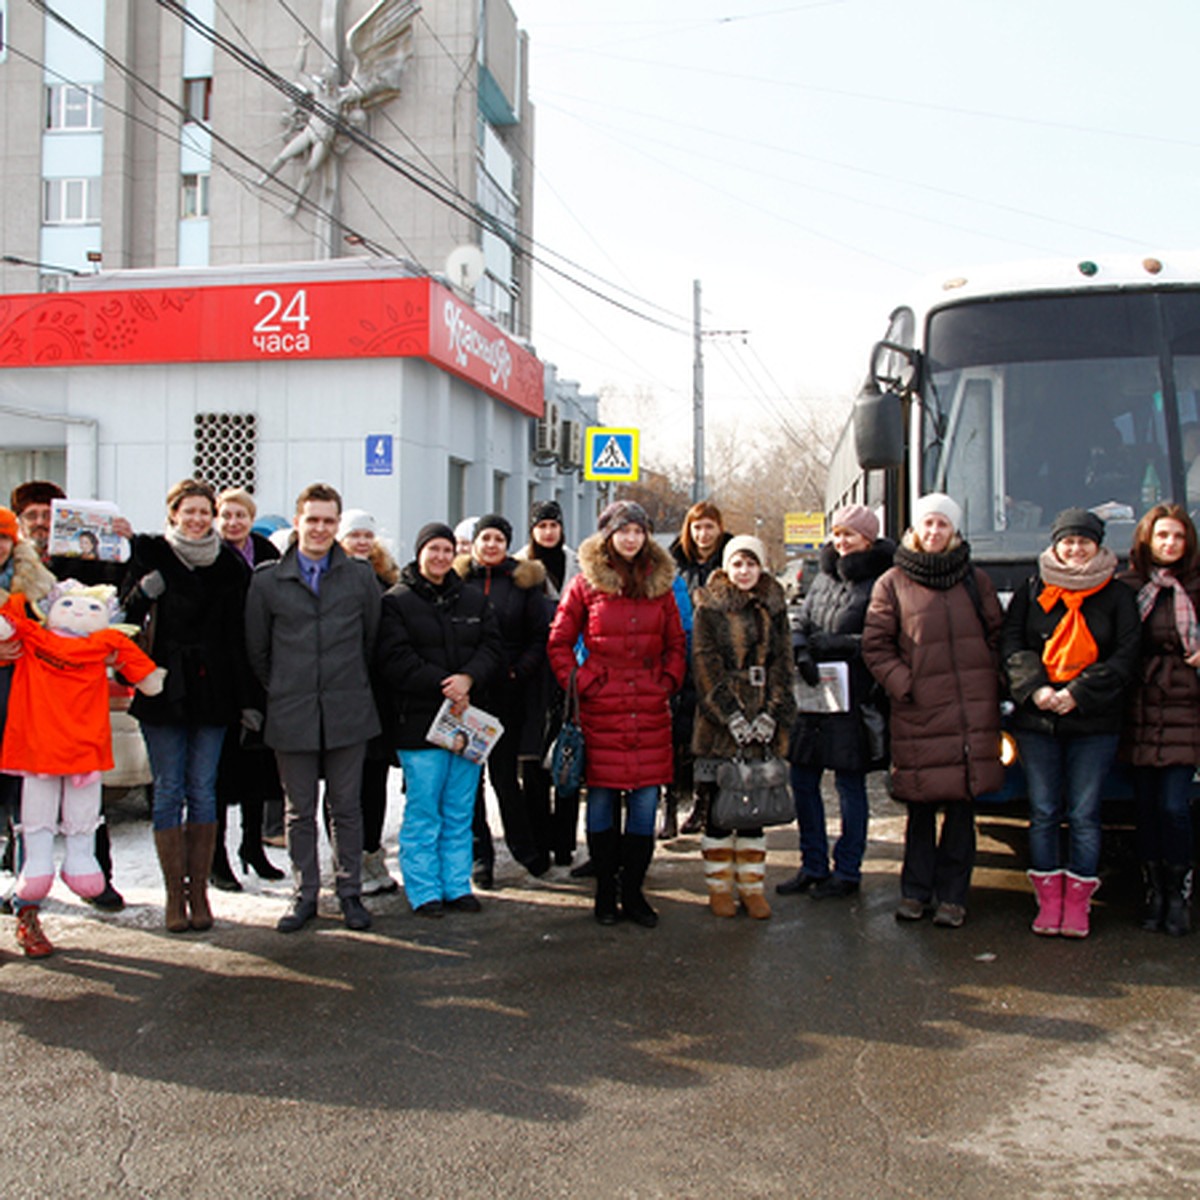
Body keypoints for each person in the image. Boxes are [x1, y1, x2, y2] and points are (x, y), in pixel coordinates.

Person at [863, 492, 1004, 929]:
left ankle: (953, 897)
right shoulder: (892, 583)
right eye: (927, 525)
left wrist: (989, 685)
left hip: (968, 716)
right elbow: (876, 645)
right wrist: (906, 685)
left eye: (943, 525)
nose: (934, 532)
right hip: (919, 714)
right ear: (914, 531)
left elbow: (999, 636)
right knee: (920, 809)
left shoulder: (974, 580)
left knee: (962, 810)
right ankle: (915, 892)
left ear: (955, 532)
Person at [244, 484, 380, 934]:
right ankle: (304, 895)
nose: (320, 528)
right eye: (312, 519)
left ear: (337, 525)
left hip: (347, 708)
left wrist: (341, 682)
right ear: (298, 522)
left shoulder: (360, 577)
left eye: (328, 521)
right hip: (292, 709)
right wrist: (288, 686)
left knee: (346, 808)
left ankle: (350, 894)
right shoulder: (267, 580)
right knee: (298, 811)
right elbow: (258, 650)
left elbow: (370, 641)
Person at [547, 501, 687, 927]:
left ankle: (634, 892)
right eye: (622, 531)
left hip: (648, 709)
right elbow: (558, 643)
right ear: (607, 535)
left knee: (645, 805)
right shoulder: (584, 584)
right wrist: (586, 683)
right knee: (603, 802)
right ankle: (605, 891)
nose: (631, 539)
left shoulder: (660, 585)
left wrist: (665, 683)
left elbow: (677, 645)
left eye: (638, 531)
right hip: (601, 709)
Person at [1002, 507, 1139, 938]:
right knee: (1043, 811)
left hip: (1094, 723)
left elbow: (1126, 654)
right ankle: (1048, 900)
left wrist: (1077, 693)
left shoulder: (1118, 596)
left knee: (1084, 813)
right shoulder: (1031, 589)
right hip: (1036, 721)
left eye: (1084, 541)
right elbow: (1012, 642)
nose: (1075, 549)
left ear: (1099, 546)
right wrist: (1037, 689)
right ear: (1054, 545)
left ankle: (1078, 904)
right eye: (1068, 541)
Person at [123, 479, 251, 933]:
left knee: (203, 788)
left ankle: (199, 891)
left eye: (204, 512)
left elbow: (240, 636)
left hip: (214, 690)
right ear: (173, 512)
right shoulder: (150, 552)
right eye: (189, 511)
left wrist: (246, 698)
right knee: (168, 788)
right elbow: (124, 612)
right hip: (164, 689)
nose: (197, 519)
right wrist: (145, 591)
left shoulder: (231, 565)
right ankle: (174, 895)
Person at [11, 480, 134, 911]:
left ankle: (97, 877)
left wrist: (118, 543)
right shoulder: (13, 568)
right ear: (22, 523)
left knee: (86, 789)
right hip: (24, 693)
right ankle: (28, 892)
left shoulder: (79, 560)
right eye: (33, 516)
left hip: (75, 699)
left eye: (49, 514)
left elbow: (116, 600)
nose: (42, 523)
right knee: (28, 800)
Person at [375, 522, 503, 917]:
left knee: (460, 809)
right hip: (419, 724)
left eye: (447, 550)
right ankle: (424, 890)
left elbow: (492, 647)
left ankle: (456, 884)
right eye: (433, 549)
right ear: (419, 553)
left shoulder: (472, 600)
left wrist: (469, 678)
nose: (441, 557)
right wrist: (443, 684)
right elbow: (394, 660)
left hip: (466, 722)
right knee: (424, 810)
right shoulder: (397, 601)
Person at [781, 504, 895, 900]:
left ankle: (848, 870)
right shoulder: (823, 576)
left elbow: (885, 639)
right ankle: (812, 864)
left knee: (849, 786)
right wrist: (801, 650)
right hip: (812, 697)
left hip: (854, 699)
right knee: (804, 781)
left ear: (869, 538)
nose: (842, 541)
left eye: (850, 534)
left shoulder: (884, 579)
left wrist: (837, 646)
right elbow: (801, 619)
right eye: (838, 533)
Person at [691, 535, 796, 919]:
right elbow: (705, 666)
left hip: (764, 722)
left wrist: (771, 712)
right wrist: (731, 715)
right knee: (720, 811)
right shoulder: (710, 606)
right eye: (737, 564)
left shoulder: (774, 605)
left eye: (751, 564)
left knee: (756, 811)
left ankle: (752, 888)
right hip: (720, 726)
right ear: (726, 567)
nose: (744, 571)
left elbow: (784, 663)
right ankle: (719, 888)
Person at [1118, 503, 1200, 936]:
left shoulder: (1197, 585)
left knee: (1174, 805)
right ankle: (1154, 894)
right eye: (1162, 536)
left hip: (1185, 705)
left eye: (1178, 537)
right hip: (1139, 706)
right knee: (1146, 808)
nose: (1170, 544)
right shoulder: (1129, 585)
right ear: (1147, 541)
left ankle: (1179, 891)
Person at [456, 514, 550, 886]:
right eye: (485, 538)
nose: (491, 545)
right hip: (468, 695)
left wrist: (518, 671)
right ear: (475, 542)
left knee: (505, 777)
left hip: (508, 692)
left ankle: (524, 848)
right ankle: (481, 856)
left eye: (499, 538)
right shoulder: (460, 580)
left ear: (507, 544)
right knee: (470, 780)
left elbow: (539, 637)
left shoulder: (523, 582)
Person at [209, 487, 286, 891]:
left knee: (260, 768)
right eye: (227, 515)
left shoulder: (268, 555)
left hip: (262, 672)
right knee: (222, 773)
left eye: (241, 515)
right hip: (223, 673)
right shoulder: (210, 556)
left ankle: (252, 847)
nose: (234, 523)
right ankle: (217, 857)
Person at [0, 507, 56, 954]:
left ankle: (28, 915)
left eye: (3, 538)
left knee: (29, 824)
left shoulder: (35, 587)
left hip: (25, 719)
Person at [337, 508, 401, 898]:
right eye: (353, 535)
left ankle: (371, 853)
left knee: (375, 781)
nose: (361, 542)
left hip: (379, 697)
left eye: (366, 535)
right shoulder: (331, 578)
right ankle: (346, 860)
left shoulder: (385, 579)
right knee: (346, 785)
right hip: (344, 695)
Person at [514, 499, 582, 867]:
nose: (548, 532)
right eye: (541, 526)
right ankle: (539, 841)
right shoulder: (520, 567)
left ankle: (564, 843)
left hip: (570, 673)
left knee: (568, 756)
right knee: (532, 763)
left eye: (554, 525)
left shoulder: (578, 565)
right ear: (532, 530)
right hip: (532, 675)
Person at [668, 500, 735, 837]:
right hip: (683, 660)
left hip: (719, 662)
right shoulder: (673, 563)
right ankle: (682, 804)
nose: (703, 533)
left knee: (714, 738)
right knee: (683, 738)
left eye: (709, 526)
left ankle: (708, 803)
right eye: (697, 527)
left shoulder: (732, 560)